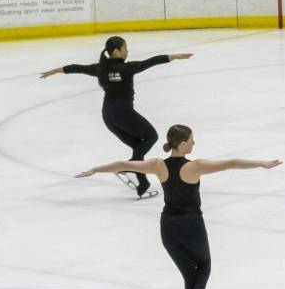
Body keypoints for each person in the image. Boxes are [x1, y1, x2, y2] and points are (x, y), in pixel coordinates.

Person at [75, 124, 281, 289]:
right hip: (191, 224)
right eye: (191, 139)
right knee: (204, 266)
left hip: (168, 227)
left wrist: (95, 169)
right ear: (182, 143)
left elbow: (123, 164)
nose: (194, 143)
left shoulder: (158, 165)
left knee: (189, 275)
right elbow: (230, 163)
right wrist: (262, 164)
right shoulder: (195, 167)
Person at [41, 37, 194, 198]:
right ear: (116, 51)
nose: (127, 51)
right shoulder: (127, 68)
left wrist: (55, 70)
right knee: (151, 136)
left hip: (108, 116)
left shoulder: (100, 69)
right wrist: (175, 57)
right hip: (123, 113)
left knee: (138, 146)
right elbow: (151, 62)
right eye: (125, 48)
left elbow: (77, 68)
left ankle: (142, 185)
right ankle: (130, 169)